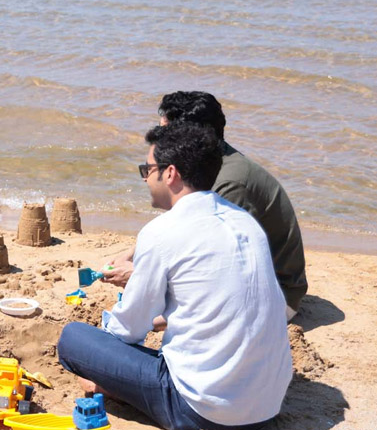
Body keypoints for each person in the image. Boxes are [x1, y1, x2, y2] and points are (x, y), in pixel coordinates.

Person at [58, 122, 292, 430]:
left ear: (170, 174)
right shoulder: (245, 223)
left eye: (147, 169)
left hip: (201, 410)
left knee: (73, 339)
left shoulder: (162, 231)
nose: (145, 178)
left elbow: (127, 330)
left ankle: (115, 388)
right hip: (266, 405)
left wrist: (106, 358)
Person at [103, 91, 307, 319]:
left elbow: (218, 265)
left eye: (165, 131)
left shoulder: (229, 183)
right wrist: (131, 255)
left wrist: (140, 276)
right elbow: (185, 222)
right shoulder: (208, 166)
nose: (159, 138)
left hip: (275, 296)